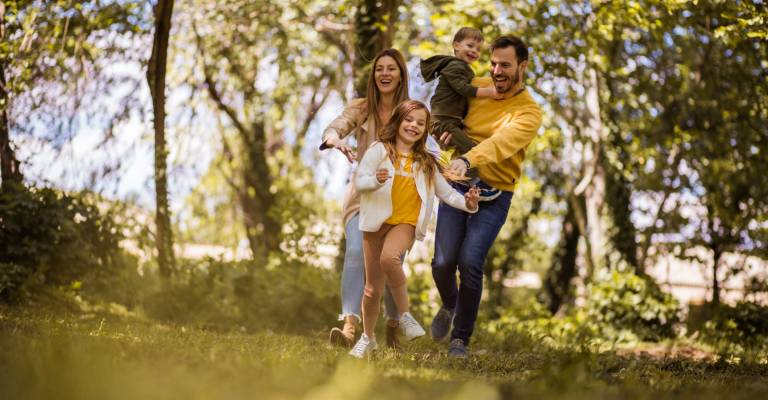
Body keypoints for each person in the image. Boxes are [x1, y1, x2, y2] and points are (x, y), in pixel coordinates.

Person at [429, 35, 543, 358]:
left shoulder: (529, 112)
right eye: (493, 63)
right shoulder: (475, 86)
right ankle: (450, 304)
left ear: (523, 66)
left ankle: (460, 340)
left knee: (470, 261)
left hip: (495, 193)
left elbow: (501, 143)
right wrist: (444, 133)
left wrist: (468, 158)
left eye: (504, 65)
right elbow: (444, 113)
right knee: (442, 262)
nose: (496, 71)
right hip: (457, 183)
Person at [348, 100, 480, 358]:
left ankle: (406, 316)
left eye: (421, 123)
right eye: (409, 120)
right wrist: (375, 180)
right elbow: (360, 181)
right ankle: (368, 338)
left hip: (405, 224)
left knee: (390, 258)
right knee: (371, 289)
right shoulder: (379, 150)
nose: (414, 126)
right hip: (375, 223)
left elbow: (447, 193)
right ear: (398, 121)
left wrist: (468, 203)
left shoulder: (427, 162)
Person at [320, 49, 410, 349]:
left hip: (400, 199)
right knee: (357, 252)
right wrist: (334, 138)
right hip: (364, 195)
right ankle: (349, 327)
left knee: (391, 260)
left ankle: (393, 325)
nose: (384, 74)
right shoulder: (361, 108)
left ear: (400, 75)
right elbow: (336, 125)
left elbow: (430, 145)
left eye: (391, 69)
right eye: (379, 69)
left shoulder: (411, 112)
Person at [420, 27, 502, 183]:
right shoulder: (455, 66)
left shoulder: (463, 68)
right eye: (470, 46)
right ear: (456, 45)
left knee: (464, 150)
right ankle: (470, 181)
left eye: (478, 49)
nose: (474, 51)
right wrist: (489, 92)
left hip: (448, 123)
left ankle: (461, 181)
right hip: (442, 123)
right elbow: (463, 89)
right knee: (472, 151)